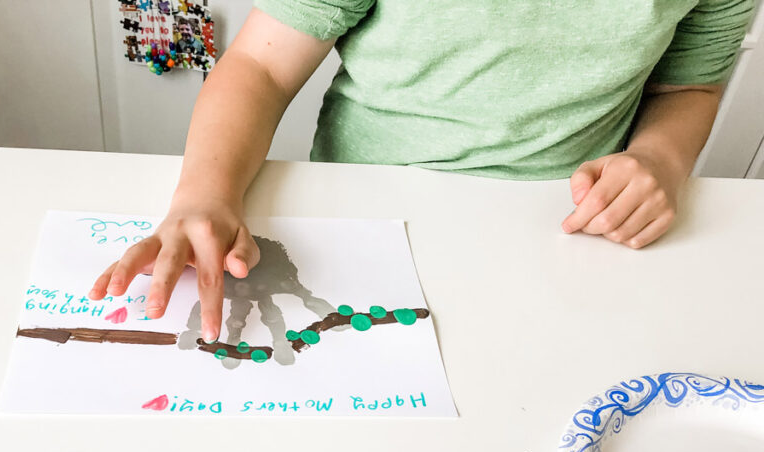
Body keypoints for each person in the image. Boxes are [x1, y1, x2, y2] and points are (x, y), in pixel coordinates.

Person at [90, 0, 756, 343]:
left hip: (575, 240)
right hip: (368, 228)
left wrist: (660, 161)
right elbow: (260, 68)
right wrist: (206, 192)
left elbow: (686, 90)